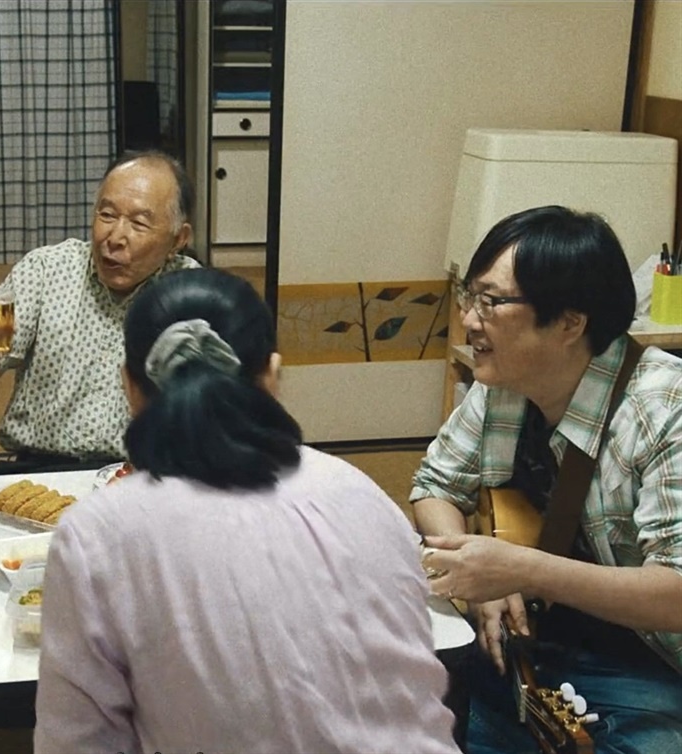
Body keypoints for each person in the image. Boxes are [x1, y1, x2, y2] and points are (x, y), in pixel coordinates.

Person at [34, 268, 458, 753]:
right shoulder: (363, 494)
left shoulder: (99, 533)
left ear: (129, 387)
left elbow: (78, 744)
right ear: (274, 376)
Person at [415, 206, 682, 753]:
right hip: (530, 648)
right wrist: (486, 578)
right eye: (471, 295)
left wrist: (522, 570)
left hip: (651, 661)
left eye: (492, 302)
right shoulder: (504, 382)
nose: (469, 318)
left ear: (569, 323)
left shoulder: (664, 407)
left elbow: (677, 594)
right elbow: (435, 485)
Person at [0, 150, 200, 474]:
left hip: (145, 476)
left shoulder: (193, 292)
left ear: (178, 238)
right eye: (107, 215)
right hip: (40, 469)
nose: (115, 237)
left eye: (139, 223)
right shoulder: (44, 269)